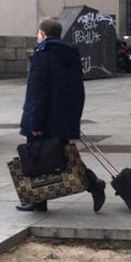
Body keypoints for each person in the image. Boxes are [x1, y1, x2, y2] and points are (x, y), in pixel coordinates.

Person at [17, 18, 106, 212]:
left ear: (42, 34)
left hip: (44, 119)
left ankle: (91, 184)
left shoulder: (42, 54)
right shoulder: (70, 53)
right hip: (63, 117)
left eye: (37, 33)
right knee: (63, 156)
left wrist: (36, 123)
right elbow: (77, 89)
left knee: (37, 157)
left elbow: (38, 92)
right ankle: (40, 200)